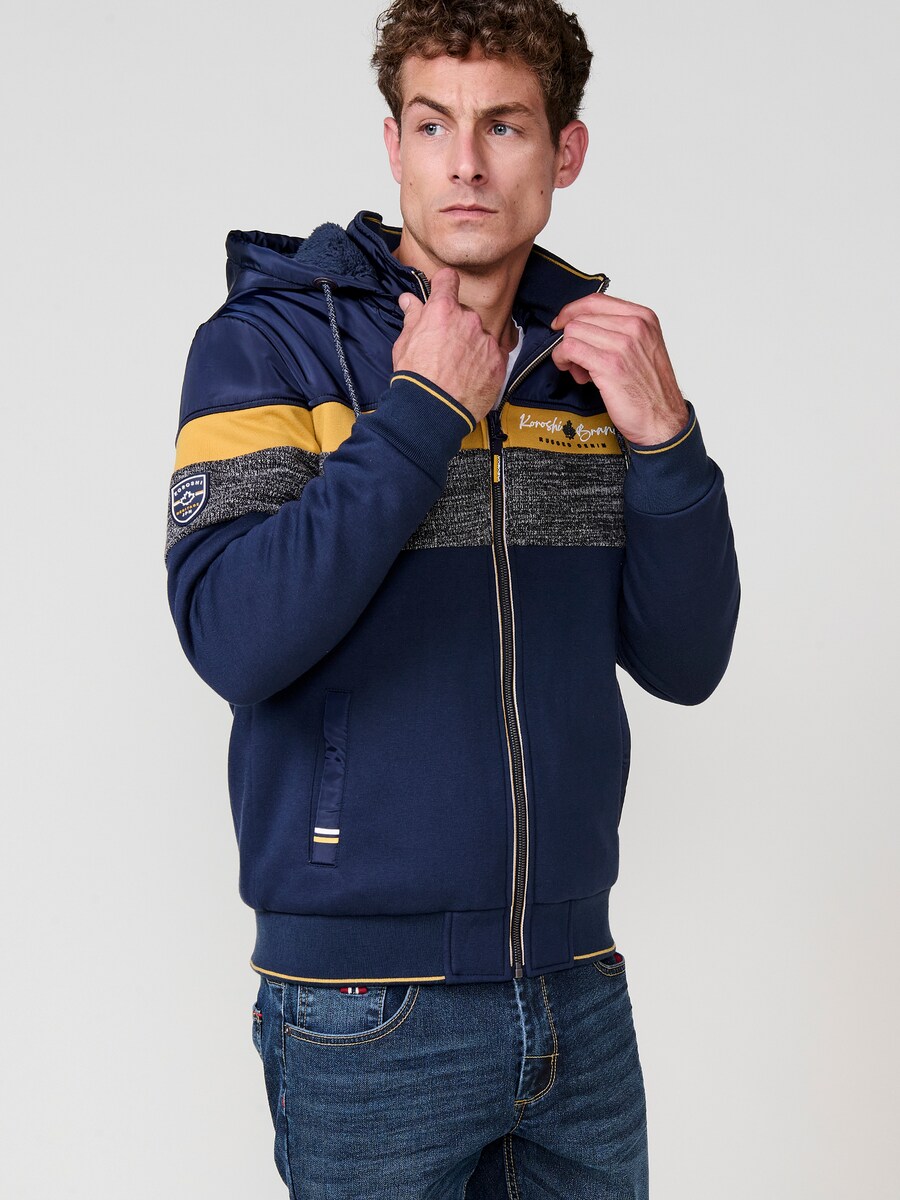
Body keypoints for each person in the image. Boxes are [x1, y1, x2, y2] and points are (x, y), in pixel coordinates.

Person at [165, 1, 739, 1194]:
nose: (466, 163)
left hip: (576, 987)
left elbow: (686, 659)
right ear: (394, 146)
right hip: (364, 1007)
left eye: (504, 126)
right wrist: (422, 414)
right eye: (434, 125)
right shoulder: (270, 348)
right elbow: (234, 636)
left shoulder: (587, 367)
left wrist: (667, 441)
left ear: (565, 151)